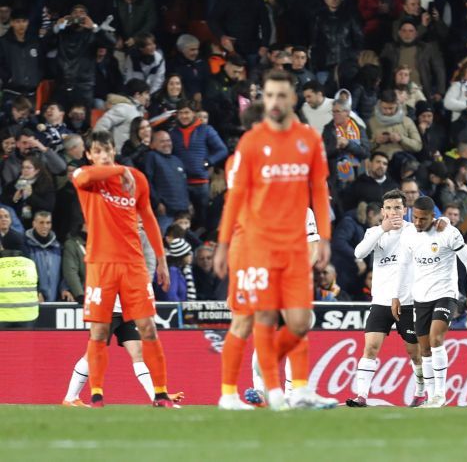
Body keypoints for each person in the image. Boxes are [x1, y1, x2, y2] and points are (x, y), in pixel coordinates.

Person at [213, 71, 332, 410]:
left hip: (294, 245)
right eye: (269, 97)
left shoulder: (308, 140)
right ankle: (263, 391)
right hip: (255, 246)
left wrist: (323, 236)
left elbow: (319, 190)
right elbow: (234, 200)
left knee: (299, 321)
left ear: (293, 98)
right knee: (254, 318)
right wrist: (223, 244)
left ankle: (284, 384)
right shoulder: (248, 147)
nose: (276, 103)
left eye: (282, 96)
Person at [72, 130, 176, 408]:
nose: (103, 156)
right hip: (100, 265)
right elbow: (83, 177)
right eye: (98, 152)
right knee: (99, 333)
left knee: (148, 328)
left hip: (133, 264)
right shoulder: (84, 177)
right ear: (89, 155)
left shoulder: (136, 179)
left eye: (107, 150)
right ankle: (96, 395)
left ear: (113, 150)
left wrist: (161, 259)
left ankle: (162, 393)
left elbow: (149, 218)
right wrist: (118, 169)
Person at [346, 190, 427, 408]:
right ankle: (361, 395)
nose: (393, 212)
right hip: (381, 301)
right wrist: (383, 228)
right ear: (383, 211)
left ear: (405, 210)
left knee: (414, 353)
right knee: (370, 347)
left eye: (397, 208)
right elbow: (359, 253)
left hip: (408, 302)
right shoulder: (375, 231)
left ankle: (421, 391)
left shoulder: (415, 231)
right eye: (389, 208)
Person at [396, 196, 467, 408]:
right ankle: (432, 397)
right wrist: (397, 296)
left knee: (436, 339)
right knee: (424, 350)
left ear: (433, 216)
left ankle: (441, 394)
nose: (417, 222)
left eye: (422, 219)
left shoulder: (448, 232)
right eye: (414, 217)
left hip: (446, 294)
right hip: (420, 297)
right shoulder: (408, 235)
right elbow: (404, 267)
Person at [169, 100, 228, 231]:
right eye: (181, 113)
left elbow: (222, 150)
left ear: (194, 113)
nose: (184, 116)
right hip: (181, 183)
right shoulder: (172, 133)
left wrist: (208, 162)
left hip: (201, 183)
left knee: (203, 219)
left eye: (187, 112)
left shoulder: (206, 130)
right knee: (183, 218)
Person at [94, 79, 149, 153]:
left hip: (131, 154)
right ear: (137, 94)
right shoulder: (123, 108)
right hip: (119, 156)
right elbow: (101, 125)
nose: (148, 97)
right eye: (146, 93)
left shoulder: (138, 110)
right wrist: (105, 148)